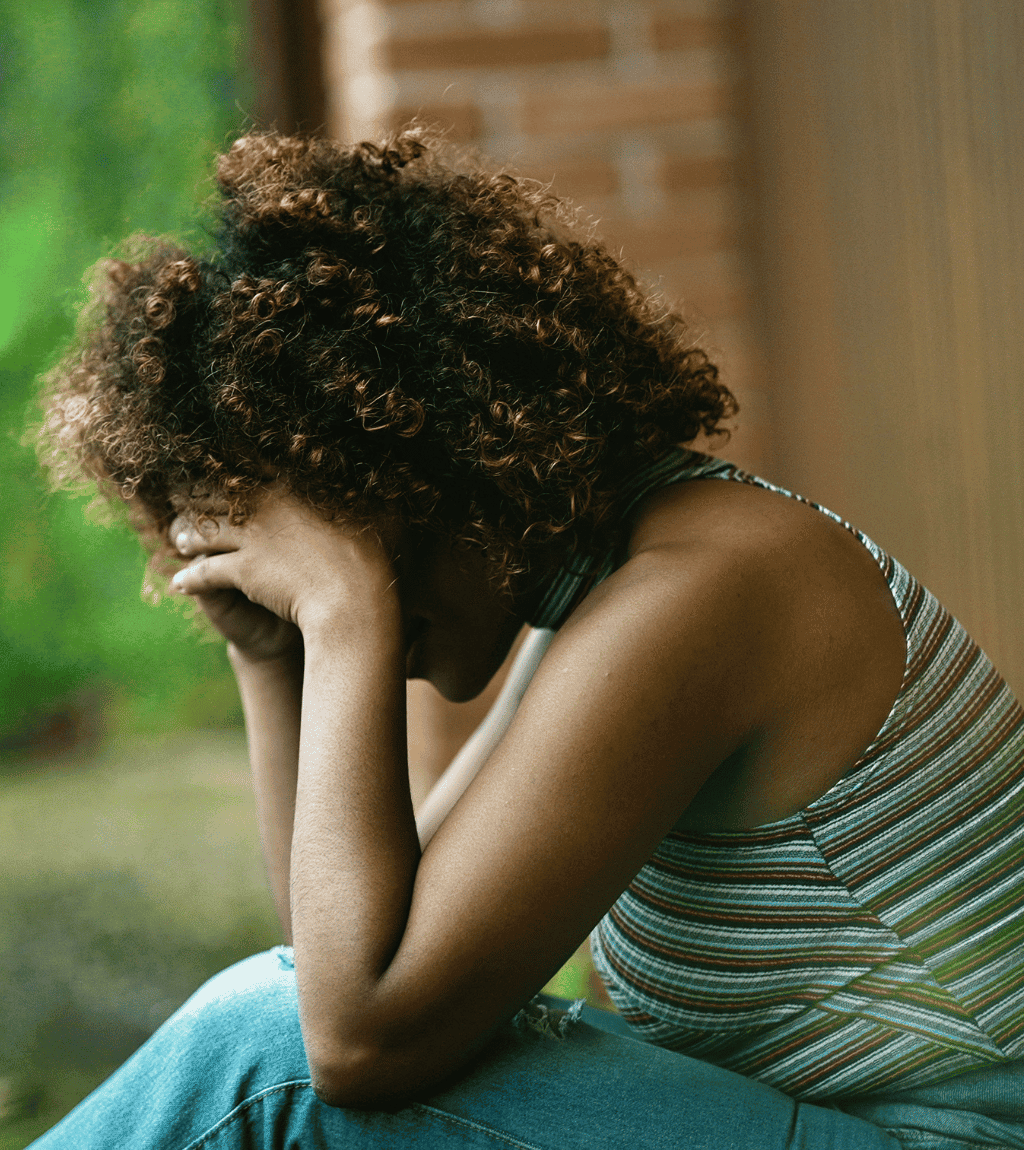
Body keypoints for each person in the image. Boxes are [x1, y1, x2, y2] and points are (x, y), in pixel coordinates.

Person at [29, 130, 1024, 1149]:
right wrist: (272, 653)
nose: (324, 591)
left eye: (340, 547)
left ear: (422, 460)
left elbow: (353, 1037)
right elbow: (342, 957)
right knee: (267, 1018)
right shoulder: (610, 598)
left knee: (258, 1060)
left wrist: (341, 614)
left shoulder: (703, 591)